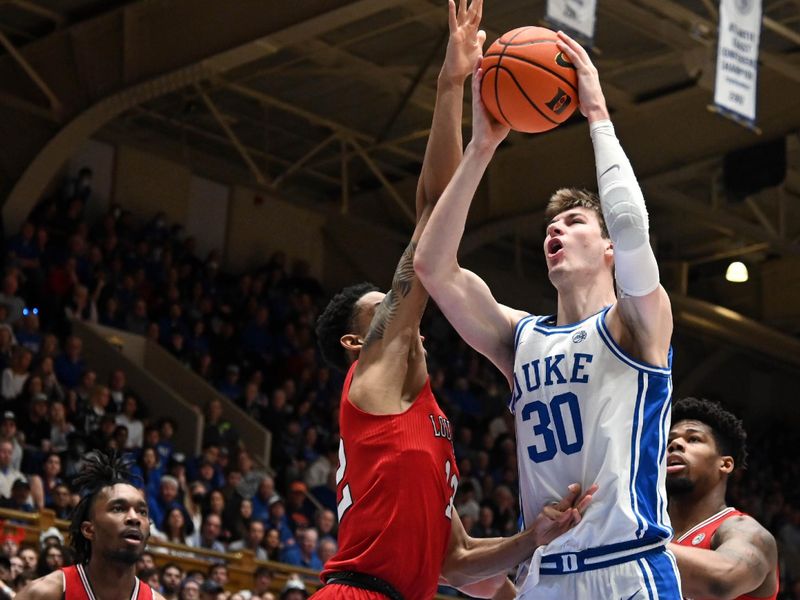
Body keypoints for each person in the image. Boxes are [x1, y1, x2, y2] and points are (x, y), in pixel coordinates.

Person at [313, 3, 594, 598]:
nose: (402, 315)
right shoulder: (373, 378)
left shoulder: (426, 418)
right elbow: (428, 221)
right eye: (379, 308)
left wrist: (533, 539)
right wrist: (450, 87)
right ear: (354, 342)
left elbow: (456, 561)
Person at [414, 31, 680, 598]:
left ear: (608, 249)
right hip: (545, 574)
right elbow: (433, 267)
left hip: (627, 566)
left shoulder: (637, 324)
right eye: (550, 228)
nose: (555, 230)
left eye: (575, 223)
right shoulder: (521, 338)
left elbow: (631, 225)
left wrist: (598, 114)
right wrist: (482, 145)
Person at [667, 397, 779, 600]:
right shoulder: (650, 527)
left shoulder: (746, 531)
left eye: (693, 439)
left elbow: (721, 579)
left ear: (725, 464)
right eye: (668, 441)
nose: (675, 444)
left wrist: (628, 544)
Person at [16, 449, 165, 599]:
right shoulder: (44, 593)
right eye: (118, 508)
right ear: (88, 530)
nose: (134, 518)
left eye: (142, 512)